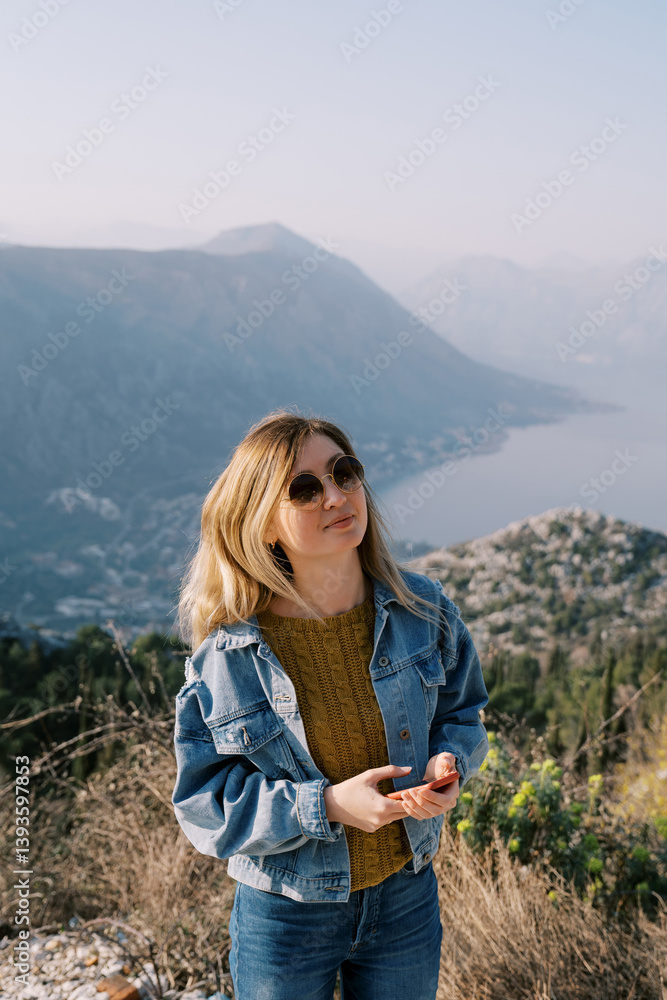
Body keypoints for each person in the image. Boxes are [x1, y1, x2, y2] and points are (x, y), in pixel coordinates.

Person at [171, 409, 489, 1000]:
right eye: (305, 488)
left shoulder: (424, 610)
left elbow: (461, 713)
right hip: (286, 915)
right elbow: (204, 806)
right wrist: (330, 807)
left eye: (344, 472)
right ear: (263, 523)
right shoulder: (230, 657)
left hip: (405, 896)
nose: (336, 496)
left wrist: (447, 764)